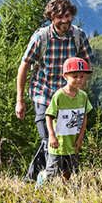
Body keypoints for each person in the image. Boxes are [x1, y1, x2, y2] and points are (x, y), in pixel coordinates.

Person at [15, 0, 93, 182]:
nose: (65, 21)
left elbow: (88, 63)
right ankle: (34, 179)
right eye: (61, 17)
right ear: (52, 17)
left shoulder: (78, 35)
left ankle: (62, 179)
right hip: (44, 93)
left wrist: (81, 90)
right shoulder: (41, 37)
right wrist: (20, 100)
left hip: (68, 97)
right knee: (47, 139)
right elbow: (24, 65)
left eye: (68, 16)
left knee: (65, 140)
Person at [37, 57, 93, 186]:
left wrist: (80, 138)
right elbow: (49, 115)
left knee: (70, 171)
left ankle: (65, 189)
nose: (79, 79)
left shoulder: (83, 96)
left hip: (72, 142)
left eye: (82, 76)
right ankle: (42, 181)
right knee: (52, 172)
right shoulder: (59, 95)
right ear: (65, 76)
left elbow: (84, 117)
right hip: (59, 143)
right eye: (75, 76)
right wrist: (51, 136)